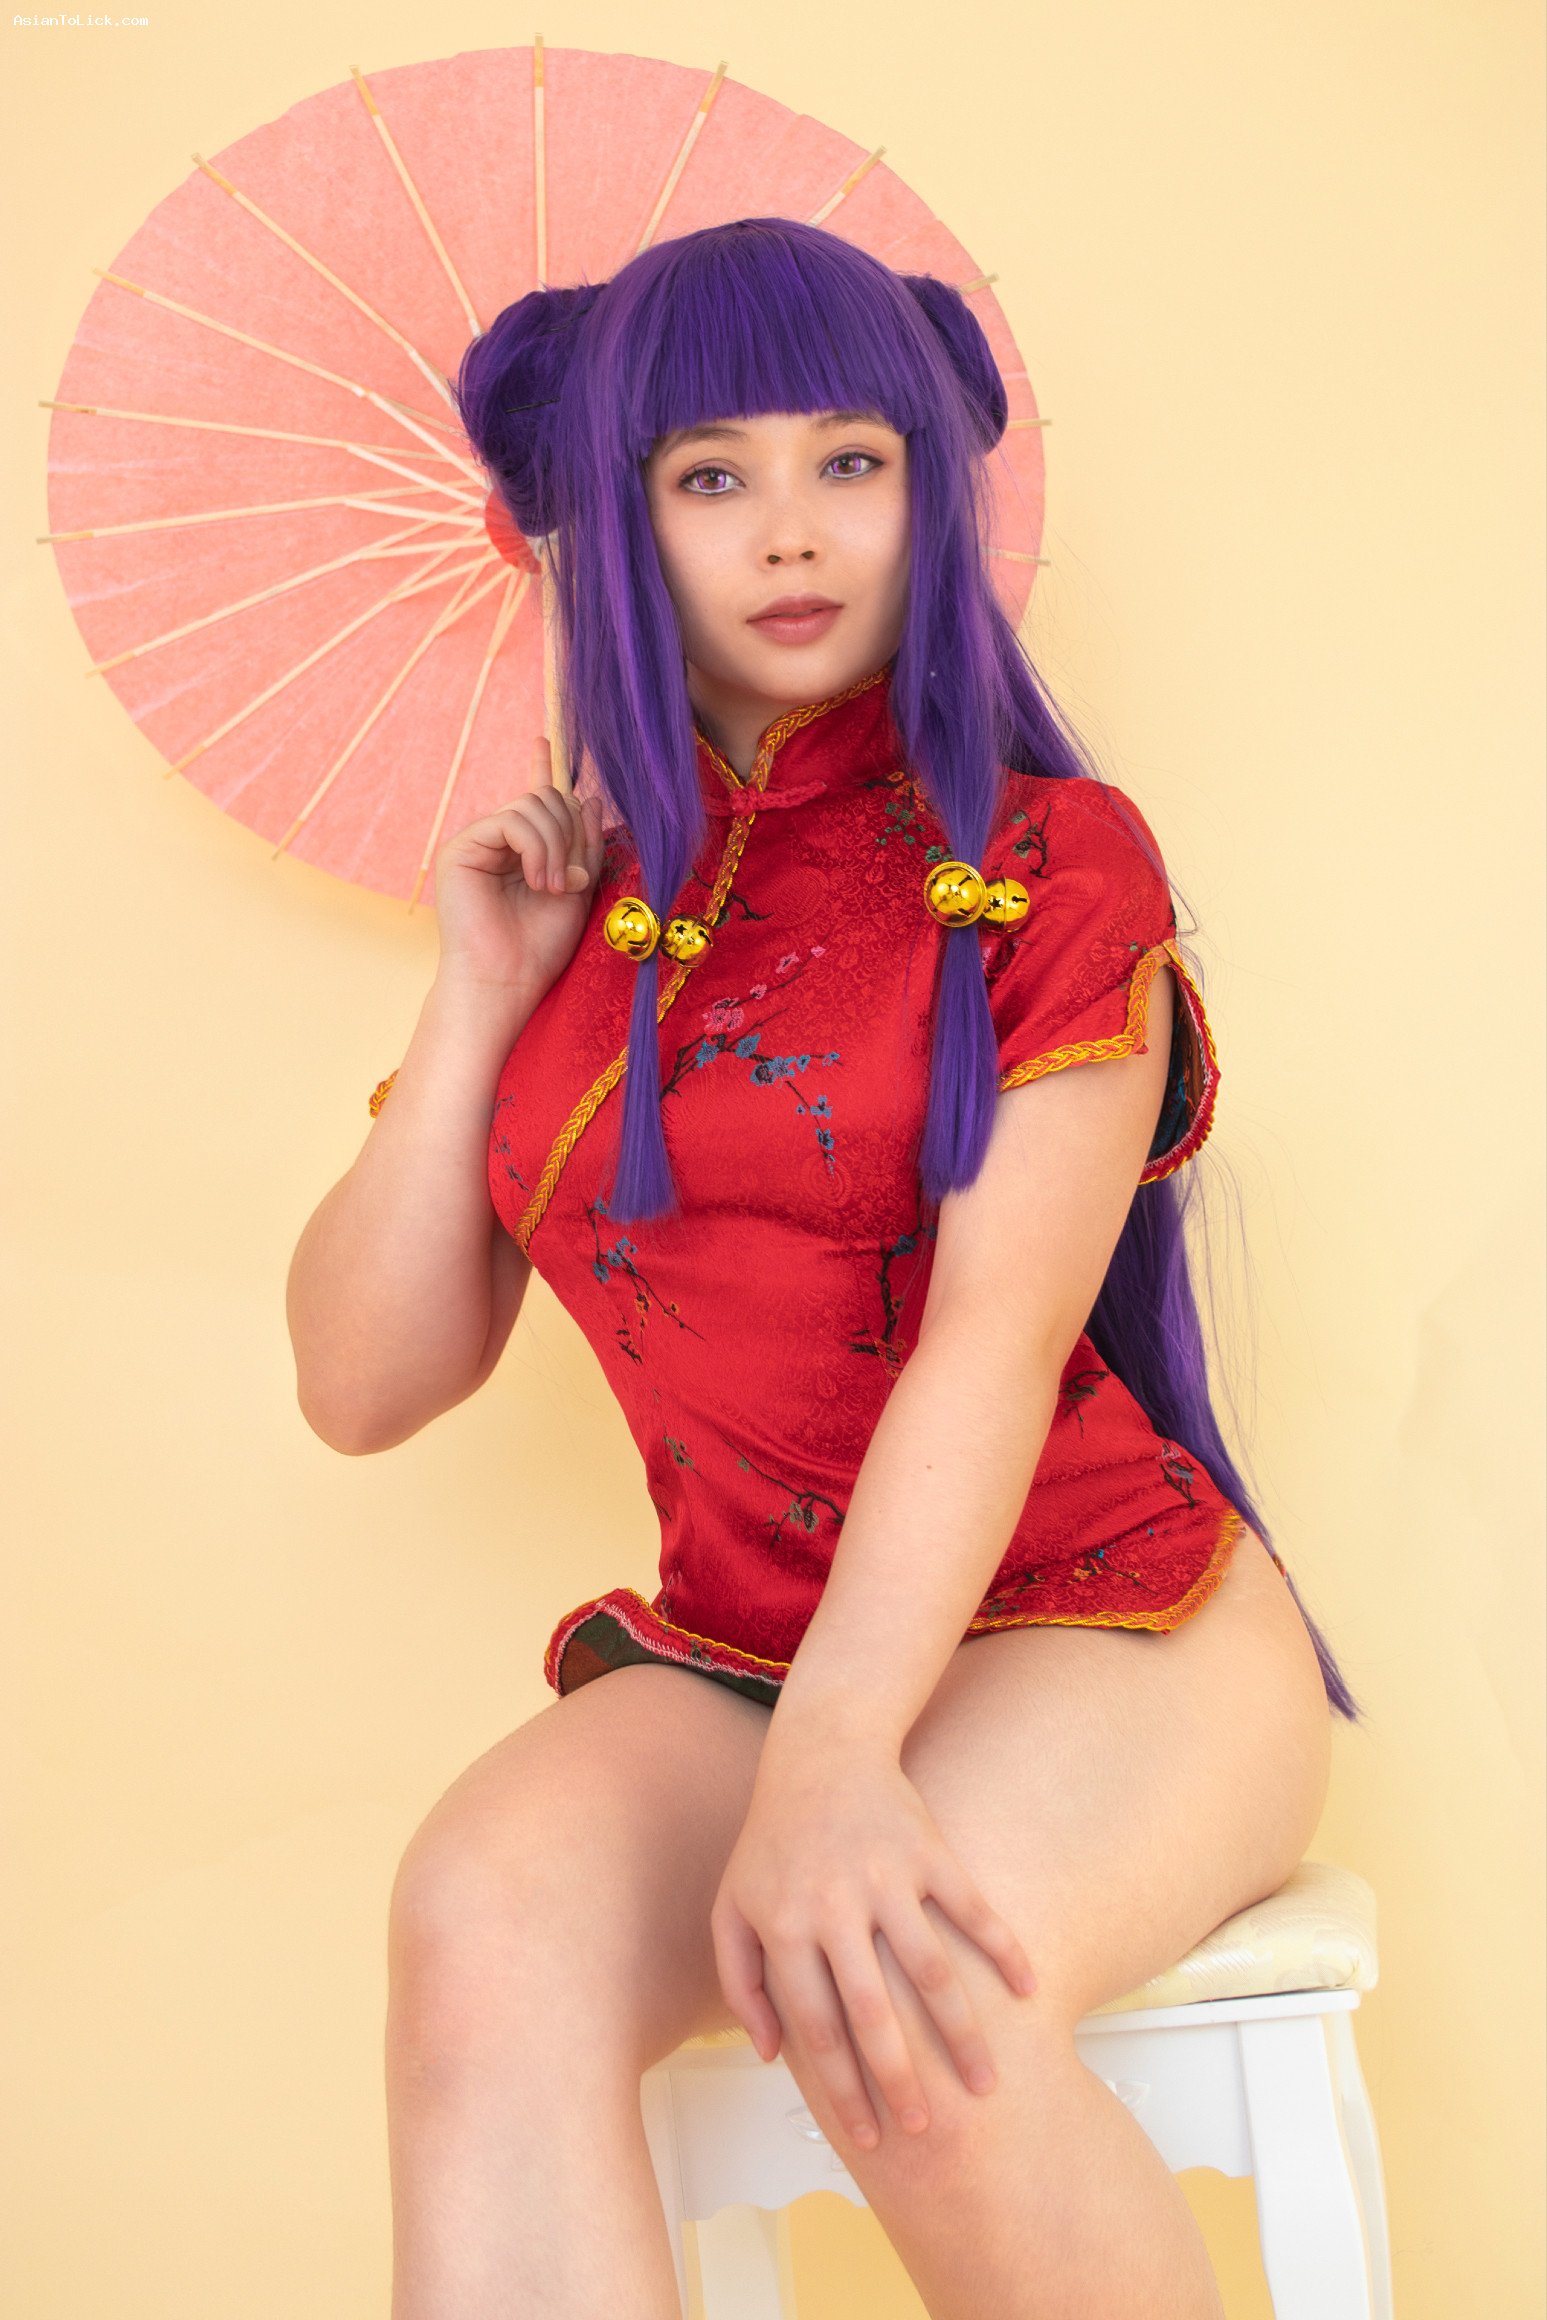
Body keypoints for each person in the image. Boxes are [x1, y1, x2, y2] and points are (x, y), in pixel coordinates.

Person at [286, 217, 1358, 2320]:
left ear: (928, 490)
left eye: (849, 461)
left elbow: (990, 1347)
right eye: (711, 476)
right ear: (612, 526)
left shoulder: (1048, 860)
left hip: (1107, 1620)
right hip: (749, 1643)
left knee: (900, 1998)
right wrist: (481, 988)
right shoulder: (575, 928)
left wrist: (838, 1767)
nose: (792, 530)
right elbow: (359, 1381)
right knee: (482, 1916)